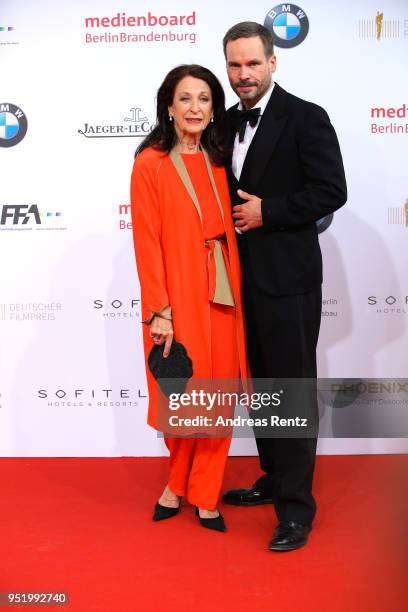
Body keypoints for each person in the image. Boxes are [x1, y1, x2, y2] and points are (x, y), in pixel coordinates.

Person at [221, 22, 347, 550]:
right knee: (264, 387)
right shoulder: (224, 122)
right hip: (237, 282)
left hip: (289, 280)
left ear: (274, 62)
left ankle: (296, 510)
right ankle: (275, 479)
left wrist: (267, 212)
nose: (244, 74)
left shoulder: (305, 117)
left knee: (291, 388)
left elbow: (331, 190)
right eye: (235, 65)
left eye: (253, 63)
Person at [130, 64, 249, 532]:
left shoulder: (220, 159)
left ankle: (204, 492)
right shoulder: (150, 164)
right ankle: (175, 482)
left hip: (224, 294)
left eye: (204, 98)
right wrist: (160, 309)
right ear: (169, 106)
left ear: (213, 107)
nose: (195, 108)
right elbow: (146, 241)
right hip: (177, 296)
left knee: (217, 395)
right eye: (186, 98)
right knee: (182, 392)